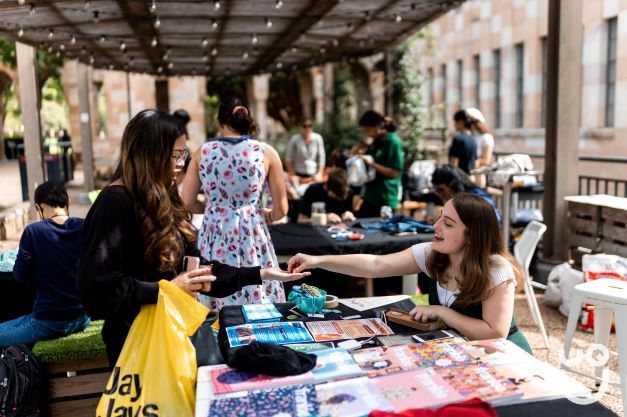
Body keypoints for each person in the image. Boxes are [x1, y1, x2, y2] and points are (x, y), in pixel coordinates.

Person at [76, 109, 308, 364]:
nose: (180, 163)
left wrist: (261, 273)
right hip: (138, 347)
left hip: (172, 337)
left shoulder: (160, 195)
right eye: (175, 154)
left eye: (182, 154)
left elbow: (198, 267)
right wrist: (164, 290)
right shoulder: (114, 202)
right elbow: (96, 288)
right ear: (149, 153)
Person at [288, 192, 531, 354]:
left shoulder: (496, 269)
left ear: (472, 235)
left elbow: (495, 333)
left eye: (448, 223)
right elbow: (376, 265)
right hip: (461, 350)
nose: (435, 227)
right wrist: (317, 260)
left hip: (504, 355)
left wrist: (440, 311)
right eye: (439, 218)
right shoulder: (434, 254)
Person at [182, 97, 289, 311]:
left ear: (220, 122)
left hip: (215, 232)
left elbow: (186, 201)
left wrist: (213, 207)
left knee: (213, 284)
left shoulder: (202, 152)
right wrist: (267, 214)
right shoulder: (266, 152)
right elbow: (281, 210)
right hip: (252, 232)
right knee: (256, 285)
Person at [0, 181, 90, 348]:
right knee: (24, 319)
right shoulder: (85, 226)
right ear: (68, 202)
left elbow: (19, 276)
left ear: (39, 207)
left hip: (50, 321)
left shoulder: (33, 231)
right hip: (83, 317)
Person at [357, 110, 404, 217]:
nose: (367, 134)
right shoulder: (376, 141)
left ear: (378, 126)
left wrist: (372, 164)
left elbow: (394, 173)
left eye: (368, 131)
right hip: (370, 197)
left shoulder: (393, 142)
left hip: (385, 198)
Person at [431, 164, 502, 228]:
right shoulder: (466, 196)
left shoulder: (475, 197)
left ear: (452, 184)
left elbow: (493, 223)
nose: (440, 195)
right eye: (437, 191)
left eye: (441, 190)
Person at [298, 168, 362, 224]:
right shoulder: (313, 191)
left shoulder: (348, 192)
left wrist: (349, 215)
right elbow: (301, 220)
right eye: (337, 197)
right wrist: (322, 218)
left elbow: (350, 214)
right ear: (329, 191)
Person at [285, 118, 326, 183]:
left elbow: (322, 157)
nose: (307, 128)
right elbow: (288, 159)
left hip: (314, 175)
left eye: (310, 125)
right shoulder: (294, 139)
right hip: (298, 175)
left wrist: (319, 173)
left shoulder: (318, 138)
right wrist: (293, 175)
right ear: (300, 127)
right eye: (304, 126)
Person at [448, 110, 477, 174]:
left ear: (461, 122)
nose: (454, 124)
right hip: (471, 177)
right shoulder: (473, 138)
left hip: (460, 179)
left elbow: (454, 164)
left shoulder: (458, 138)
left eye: (455, 122)